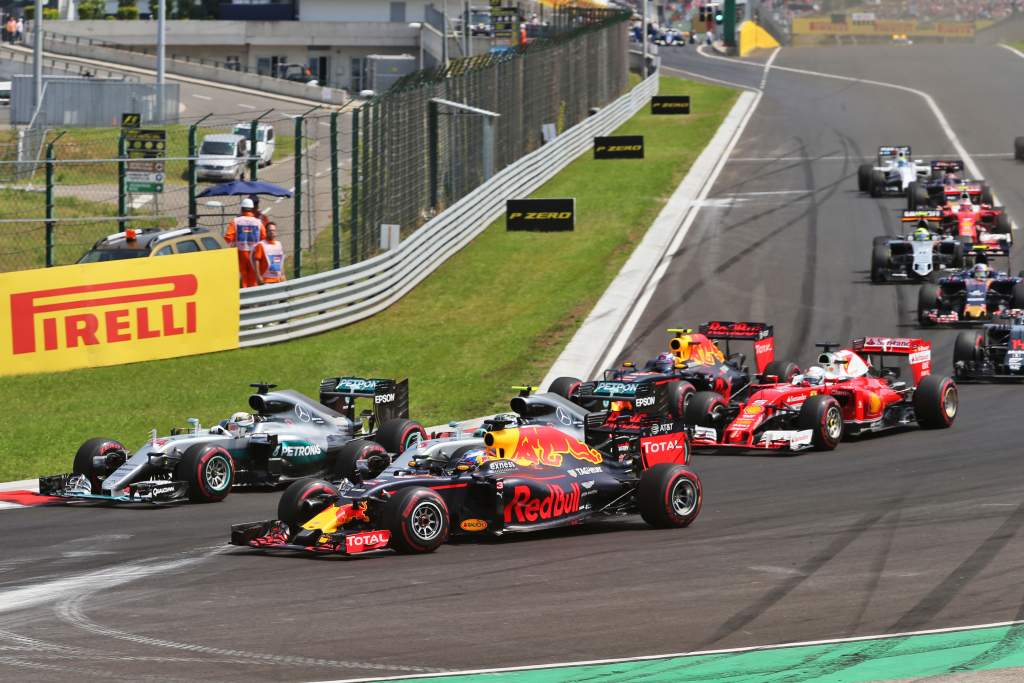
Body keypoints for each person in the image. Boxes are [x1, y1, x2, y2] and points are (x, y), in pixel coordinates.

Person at [224, 198, 265, 288]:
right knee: (253, 277)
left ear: (242, 209)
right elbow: (263, 238)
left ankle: (244, 296)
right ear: (252, 209)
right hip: (254, 254)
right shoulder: (258, 222)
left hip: (240, 253)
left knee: (243, 276)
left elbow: (228, 238)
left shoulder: (235, 221)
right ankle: (253, 297)